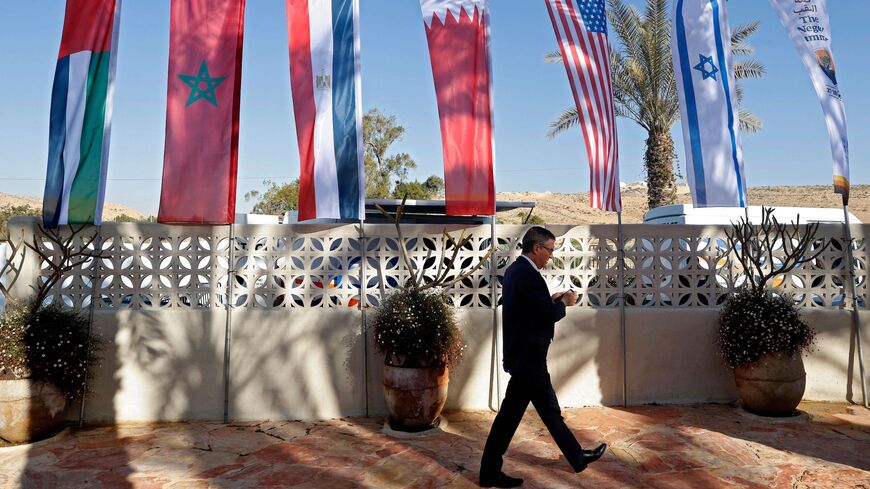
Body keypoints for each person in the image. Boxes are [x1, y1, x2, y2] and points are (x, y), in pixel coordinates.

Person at [479, 226, 607, 488]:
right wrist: (564, 304)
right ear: (536, 248)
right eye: (549, 250)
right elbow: (544, 316)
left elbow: (530, 310)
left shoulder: (517, 271)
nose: (551, 255)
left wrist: (550, 299)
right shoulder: (527, 275)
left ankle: (576, 457)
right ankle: (490, 472)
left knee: (546, 412)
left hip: (527, 357)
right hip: (529, 359)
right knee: (512, 418)